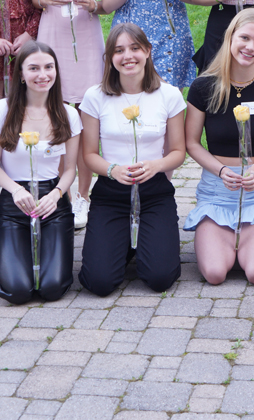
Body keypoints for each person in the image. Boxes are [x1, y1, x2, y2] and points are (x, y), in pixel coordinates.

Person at [184, 10, 254, 285]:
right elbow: (191, 143)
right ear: (230, 37)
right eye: (244, 38)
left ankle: (251, 239)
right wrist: (221, 171)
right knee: (215, 273)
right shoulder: (203, 87)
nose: (250, 47)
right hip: (217, 192)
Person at [79, 24, 187, 296]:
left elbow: (178, 151)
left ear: (148, 52)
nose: (128, 56)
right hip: (111, 191)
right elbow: (89, 154)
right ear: (110, 58)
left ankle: (141, 243)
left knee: (160, 277)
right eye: (118, 50)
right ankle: (122, 242)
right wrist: (112, 170)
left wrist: (157, 166)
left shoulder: (168, 94)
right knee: (99, 282)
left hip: (154, 191)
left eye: (135, 48)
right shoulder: (95, 96)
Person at [33, 0, 106, 229]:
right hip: (53, 36)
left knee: (86, 118)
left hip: (88, 38)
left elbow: (105, 2)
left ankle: (83, 195)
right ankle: (54, 188)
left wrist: (94, 4)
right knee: (55, 114)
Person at [0, 41, 82, 303]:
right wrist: (15, 189)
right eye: (34, 68)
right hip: (13, 202)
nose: (43, 75)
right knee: (18, 291)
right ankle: (9, 257)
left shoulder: (68, 113)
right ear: (21, 75)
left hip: (52, 204)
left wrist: (58, 194)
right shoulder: (1, 110)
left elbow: (69, 169)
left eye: (49, 67)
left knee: (52, 289)